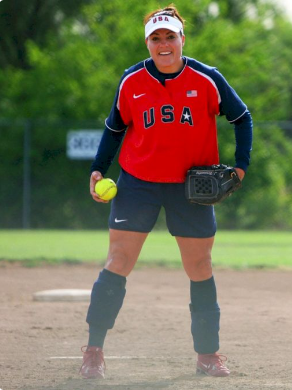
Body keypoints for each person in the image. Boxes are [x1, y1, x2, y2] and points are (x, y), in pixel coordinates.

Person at [79, 4, 253, 379]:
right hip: (138, 183)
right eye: (155, 38)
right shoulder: (131, 81)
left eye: (169, 36)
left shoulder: (207, 78)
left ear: (181, 39)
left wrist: (240, 167)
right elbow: (114, 129)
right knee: (118, 261)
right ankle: (93, 351)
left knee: (200, 266)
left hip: (192, 188)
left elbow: (242, 117)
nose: (163, 44)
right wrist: (97, 169)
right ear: (148, 43)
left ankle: (207, 355)